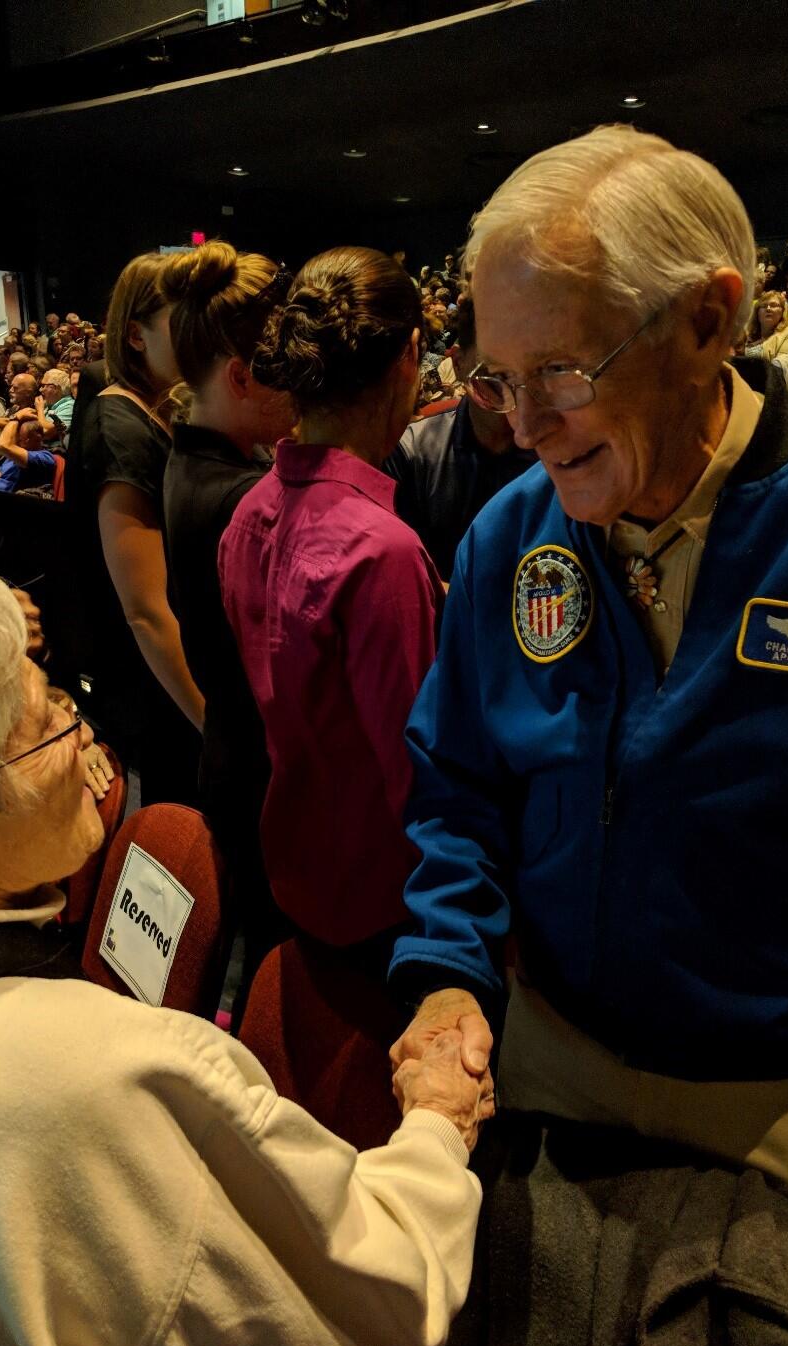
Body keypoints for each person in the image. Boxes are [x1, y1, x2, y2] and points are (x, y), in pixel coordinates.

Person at [385, 126, 788, 1346]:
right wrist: (443, 977)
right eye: (493, 379)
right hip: (546, 1071)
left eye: (559, 370)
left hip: (781, 1104)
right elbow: (457, 790)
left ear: (708, 323)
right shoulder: (506, 537)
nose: (524, 422)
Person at [0, 536, 483, 1346]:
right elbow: (387, 1288)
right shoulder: (91, 1081)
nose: (82, 733)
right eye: (44, 721)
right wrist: (435, 1118)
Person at [220, 246, 444, 953]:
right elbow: (418, 775)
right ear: (410, 352)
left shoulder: (248, 511)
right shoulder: (382, 550)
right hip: (383, 898)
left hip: (297, 868)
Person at [161, 241, 296, 1008]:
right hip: (260, 770)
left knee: (247, 961)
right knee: (271, 976)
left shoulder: (187, 463)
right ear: (240, 376)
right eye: (286, 371)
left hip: (227, 750)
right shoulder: (248, 495)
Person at [70, 251, 203, 806]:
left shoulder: (161, 408)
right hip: (150, 694)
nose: (203, 333)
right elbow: (145, 612)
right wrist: (210, 720)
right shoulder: (119, 427)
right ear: (135, 336)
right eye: (185, 319)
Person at [384, 295, 537, 581]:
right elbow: (407, 575)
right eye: (494, 378)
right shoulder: (412, 453)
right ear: (457, 364)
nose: (517, 403)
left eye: (530, 376)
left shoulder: (556, 448)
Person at [742, 291, 788, 362]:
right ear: (757, 312)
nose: (768, 309)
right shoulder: (747, 334)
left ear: (783, 311)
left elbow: (782, 367)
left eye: (773, 305)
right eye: (764, 306)